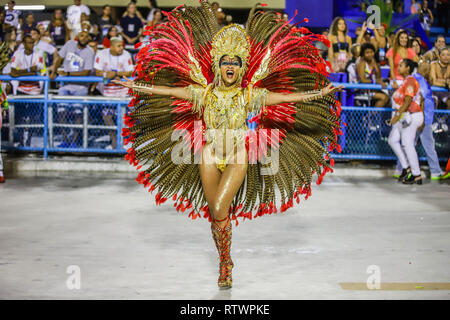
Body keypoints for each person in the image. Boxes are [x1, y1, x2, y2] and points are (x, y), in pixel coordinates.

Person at [112, 1, 344, 290]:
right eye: (225, 61)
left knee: (222, 205)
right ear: (217, 65)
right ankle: (225, 262)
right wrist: (138, 87)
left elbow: (285, 100)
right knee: (216, 212)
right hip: (209, 152)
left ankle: (224, 262)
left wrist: (320, 92)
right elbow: (169, 90)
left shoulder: (250, 95)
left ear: (242, 66)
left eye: (235, 62)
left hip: (237, 152)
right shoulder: (202, 93)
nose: (230, 66)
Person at [49, 31, 95, 148]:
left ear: (89, 38)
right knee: (61, 112)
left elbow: (86, 73)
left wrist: (68, 73)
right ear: (77, 36)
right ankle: (65, 140)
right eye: (82, 35)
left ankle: (74, 141)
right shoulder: (69, 44)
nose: (84, 38)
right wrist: (54, 71)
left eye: (87, 36)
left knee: (77, 115)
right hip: (65, 85)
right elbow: (59, 58)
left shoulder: (90, 52)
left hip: (81, 87)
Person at [387, 59, 424, 184]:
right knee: (393, 140)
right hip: (406, 116)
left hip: (411, 116)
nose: (399, 67)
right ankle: (406, 167)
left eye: (402, 65)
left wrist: (397, 115)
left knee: (407, 145)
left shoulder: (410, 80)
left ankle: (416, 174)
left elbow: (408, 101)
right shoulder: (405, 82)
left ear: (408, 68)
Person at [94, 37, 133, 149]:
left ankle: (124, 142)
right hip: (108, 91)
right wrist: (107, 74)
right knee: (107, 116)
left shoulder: (126, 54)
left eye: (122, 45)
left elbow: (130, 71)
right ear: (111, 46)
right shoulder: (102, 54)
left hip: (123, 90)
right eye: (119, 46)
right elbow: (97, 71)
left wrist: (115, 73)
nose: (122, 48)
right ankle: (114, 140)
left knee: (124, 117)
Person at [356, 43, 390, 108]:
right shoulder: (362, 63)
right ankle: (372, 117)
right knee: (384, 98)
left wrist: (376, 66)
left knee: (388, 98)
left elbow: (379, 76)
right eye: (367, 53)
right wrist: (375, 81)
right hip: (363, 90)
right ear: (363, 54)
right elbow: (362, 80)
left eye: (371, 52)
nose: (370, 54)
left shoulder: (373, 62)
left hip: (372, 89)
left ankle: (373, 116)